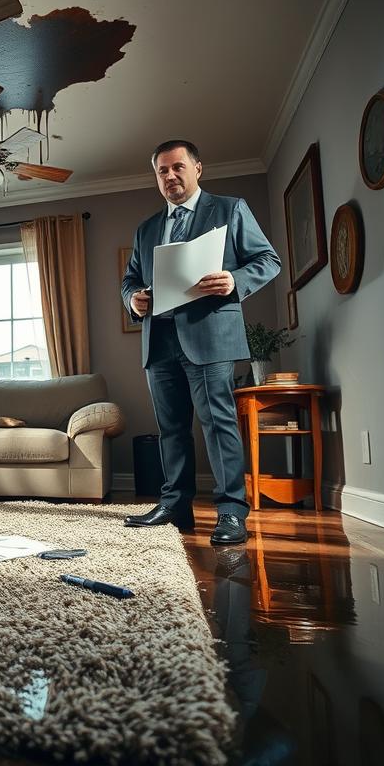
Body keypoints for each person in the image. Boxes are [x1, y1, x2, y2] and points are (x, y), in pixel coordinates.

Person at [121, 140, 280, 545]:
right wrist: (133, 300)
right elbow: (129, 281)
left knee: (218, 423)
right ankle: (175, 506)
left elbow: (268, 260)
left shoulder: (230, 209)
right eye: (162, 171)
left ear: (197, 169)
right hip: (159, 340)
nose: (170, 176)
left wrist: (234, 281)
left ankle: (230, 512)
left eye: (177, 167)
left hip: (210, 335)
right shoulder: (145, 229)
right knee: (170, 428)